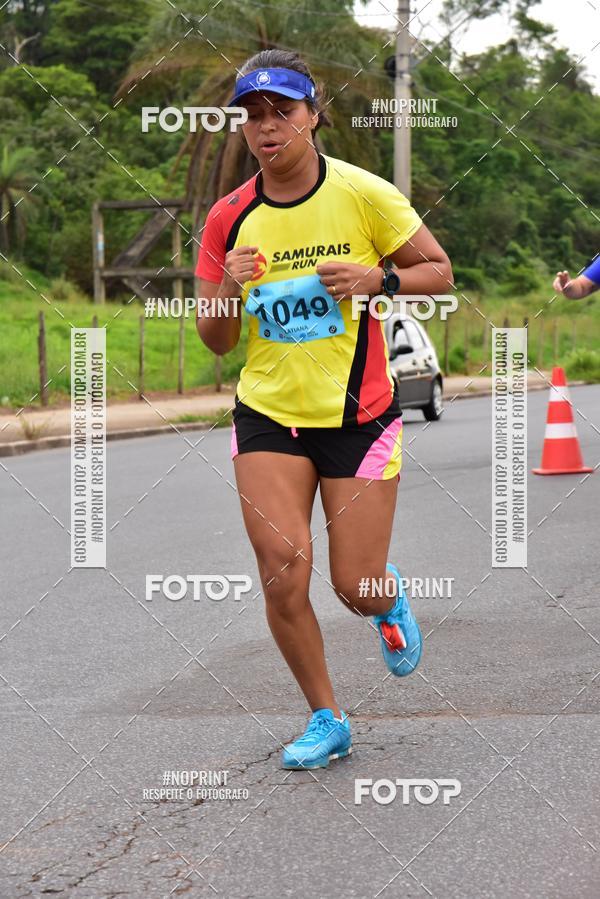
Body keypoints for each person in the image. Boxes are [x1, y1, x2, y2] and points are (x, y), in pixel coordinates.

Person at [195, 49, 453, 770]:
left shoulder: (364, 194)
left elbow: (440, 271)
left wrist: (381, 277)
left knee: (354, 584)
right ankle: (326, 715)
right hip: (269, 414)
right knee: (282, 568)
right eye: (251, 114)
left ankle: (387, 599)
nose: (266, 126)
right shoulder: (229, 217)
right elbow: (216, 341)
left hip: (360, 416)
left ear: (314, 115)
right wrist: (224, 282)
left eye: (282, 110)